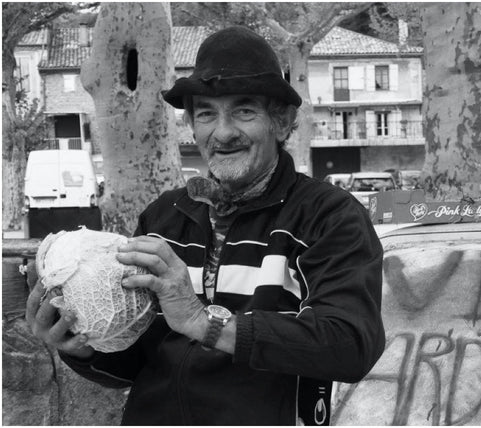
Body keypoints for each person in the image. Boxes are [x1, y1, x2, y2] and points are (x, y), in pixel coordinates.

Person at [26, 26, 385, 426]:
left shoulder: (328, 216)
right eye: (206, 113)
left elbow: (350, 345)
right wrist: (79, 347)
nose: (224, 131)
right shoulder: (165, 216)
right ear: (192, 126)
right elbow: (134, 363)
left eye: (244, 111)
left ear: (281, 123)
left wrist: (204, 323)